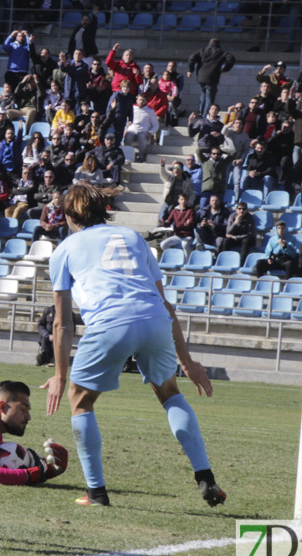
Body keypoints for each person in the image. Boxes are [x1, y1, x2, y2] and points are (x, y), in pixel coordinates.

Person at [42, 182, 224, 509]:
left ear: (69, 215)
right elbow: (166, 305)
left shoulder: (64, 250)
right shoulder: (131, 237)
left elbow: (62, 322)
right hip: (154, 320)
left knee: (80, 399)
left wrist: (59, 375)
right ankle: (206, 477)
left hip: (110, 323)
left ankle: (96, 493)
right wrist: (188, 362)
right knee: (169, 392)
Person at [187, 39, 236, 115]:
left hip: (201, 77)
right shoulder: (221, 52)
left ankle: (201, 110)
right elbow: (231, 59)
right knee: (209, 99)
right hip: (212, 78)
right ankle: (205, 116)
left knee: (203, 93)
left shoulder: (202, 50)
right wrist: (225, 69)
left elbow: (191, 58)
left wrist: (191, 70)